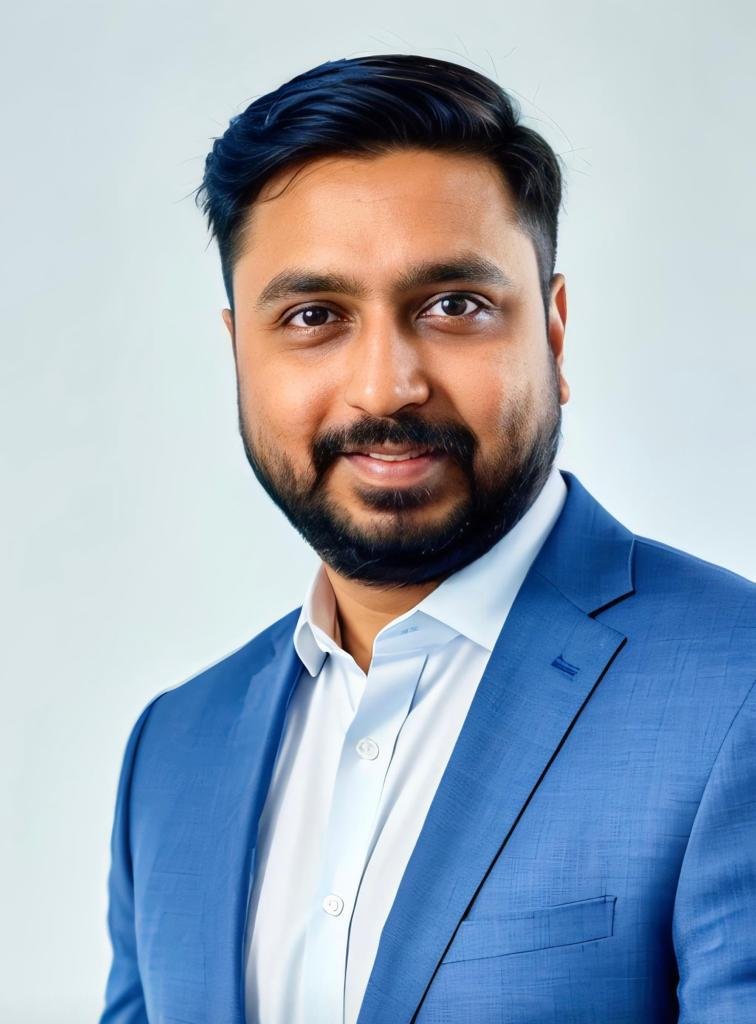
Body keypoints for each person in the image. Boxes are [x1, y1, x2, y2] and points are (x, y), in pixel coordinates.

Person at [98, 54, 756, 1024]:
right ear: (239, 353)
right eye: (314, 316)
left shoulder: (736, 685)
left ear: (554, 333)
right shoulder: (171, 753)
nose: (386, 386)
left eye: (454, 306)